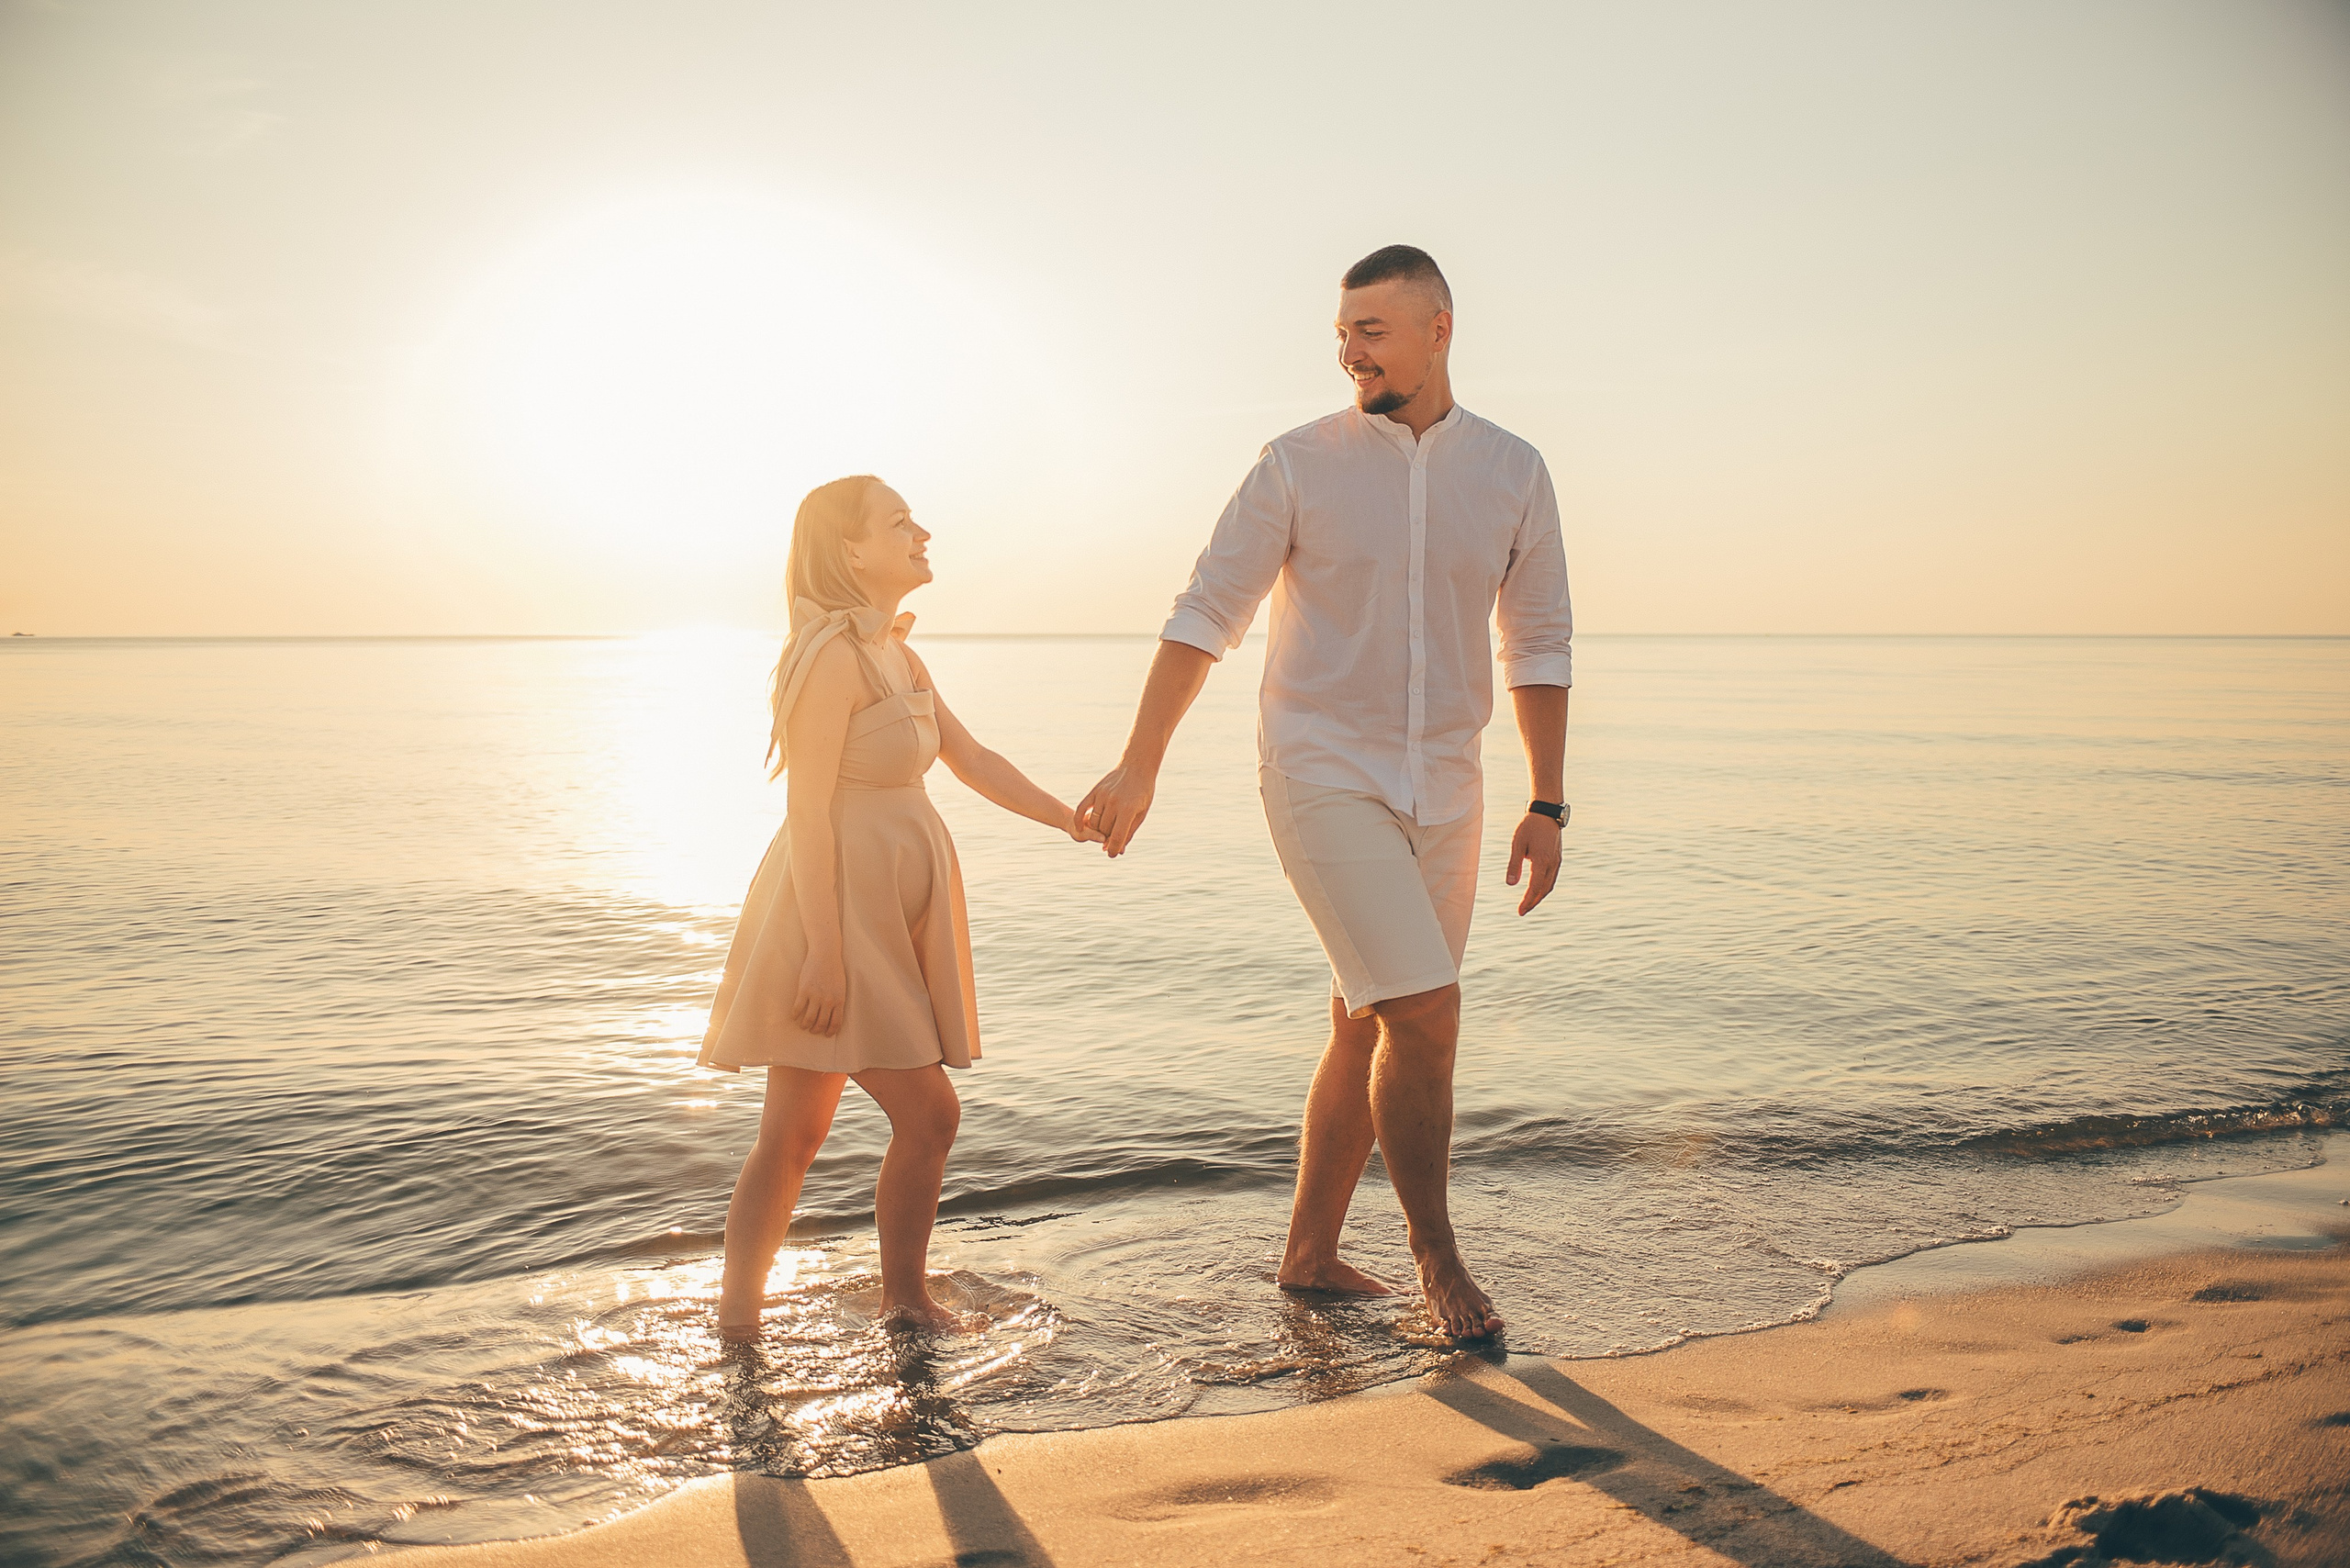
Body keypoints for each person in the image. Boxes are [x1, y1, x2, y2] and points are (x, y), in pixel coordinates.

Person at [1076, 245, 1573, 1340]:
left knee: (1368, 1020)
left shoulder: (1512, 470)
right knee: (1428, 1014)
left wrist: (1547, 801)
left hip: (1448, 783)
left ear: (1439, 328)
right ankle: (1438, 1261)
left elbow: (1535, 640)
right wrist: (1141, 760)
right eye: (1343, 334)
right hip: (1319, 772)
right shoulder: (1296, 463)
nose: (1351, 352)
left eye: (1374, 332)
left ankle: (1307, 1252)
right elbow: (1206, 611)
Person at [702, 476, 1092, 1337]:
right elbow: (807, 809)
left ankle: (740, 1325)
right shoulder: (828, 658)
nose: (922, 532)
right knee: (927, 1114)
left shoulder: (900, 655)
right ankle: (903, 1303)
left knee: (794, 1136)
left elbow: (975, 759)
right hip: (833, 916)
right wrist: (826, 956)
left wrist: (1070, 819)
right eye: (899, 523)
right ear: (850, 550)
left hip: (882, 914)